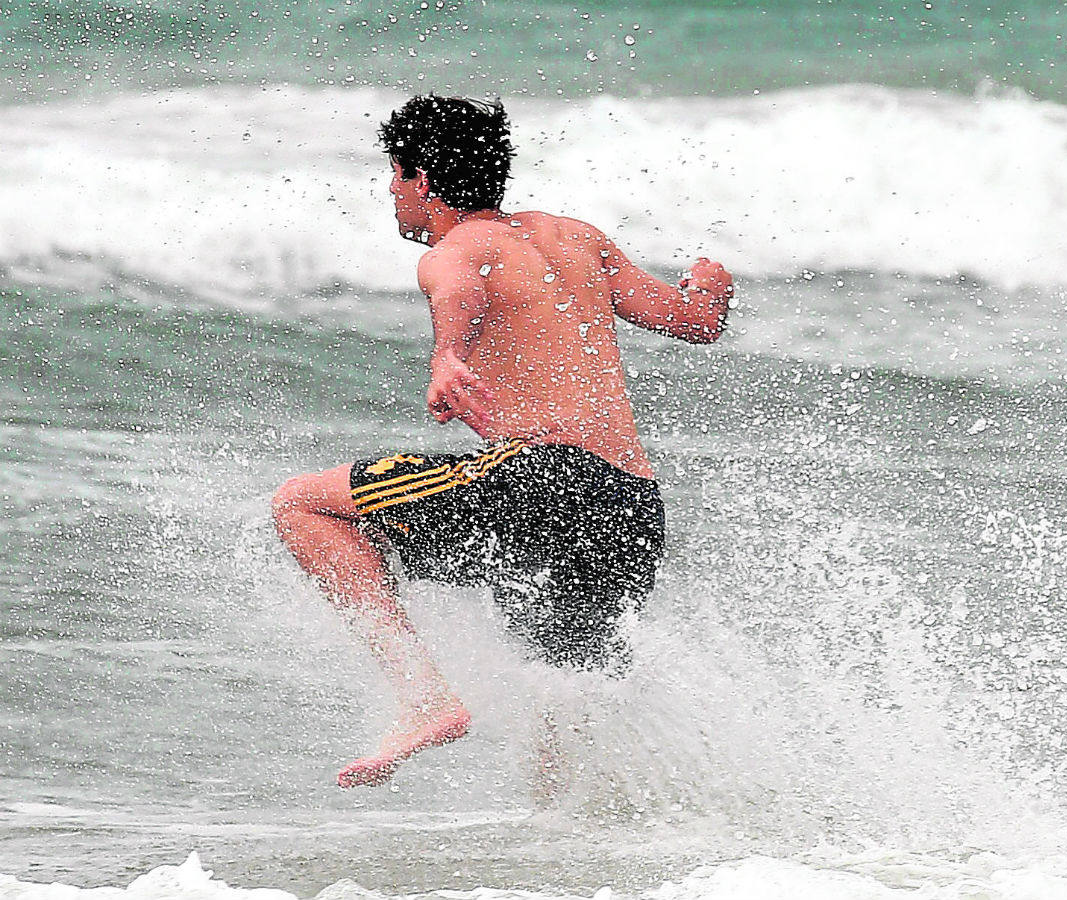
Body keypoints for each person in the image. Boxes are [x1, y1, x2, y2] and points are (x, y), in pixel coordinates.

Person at [270, 95, 733, 789]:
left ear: (420, 178)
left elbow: (460, 289)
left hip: (542, 477)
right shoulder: (578, 238)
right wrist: (712, 288)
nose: (392, 195)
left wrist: (447, 356)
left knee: (302, 505)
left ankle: (421, 698)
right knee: (564, 696)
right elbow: (695, 323)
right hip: (630, 505)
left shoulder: (456, 249)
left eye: (394, 179)